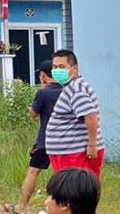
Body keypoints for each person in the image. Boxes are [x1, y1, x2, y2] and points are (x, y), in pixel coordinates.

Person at [4, 60, 62, 214]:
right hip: (65, 141)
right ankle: (66, 206)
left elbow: (33, 114)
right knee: (64, 174)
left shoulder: (43, 93)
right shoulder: (67, 90)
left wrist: (30, 108)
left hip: (45, 141)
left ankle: (22, 205)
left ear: (43, 76)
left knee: (33, 172)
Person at [44, 49, 104, 179]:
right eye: (54, 67)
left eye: (62, 67)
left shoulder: (76, 90)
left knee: (72, 191)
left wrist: (92, 144)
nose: (57, 70)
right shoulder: (71, 87)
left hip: (75, 153)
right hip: (68, 152)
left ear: (74, 68)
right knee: (71, 192)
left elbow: (90, 116)